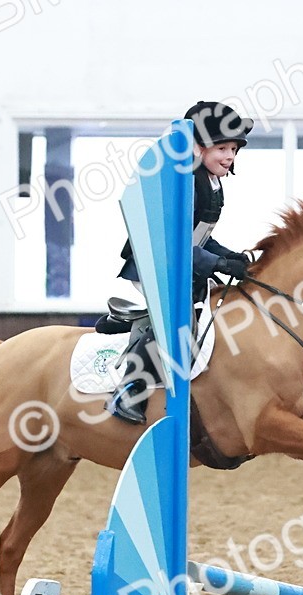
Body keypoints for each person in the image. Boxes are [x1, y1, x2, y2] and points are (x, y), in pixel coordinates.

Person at [106, 101, 255, 425]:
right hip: (153, 262)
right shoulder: (186, 181)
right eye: (222, 148)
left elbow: (199, 238)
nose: (229, 156)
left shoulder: (214, 184)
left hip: (180, 262)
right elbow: (174, 244)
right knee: (180, 320)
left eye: (233, 149)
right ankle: (129, 387)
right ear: (199, 147)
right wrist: (217, 263)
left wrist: (230, 258)